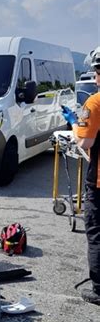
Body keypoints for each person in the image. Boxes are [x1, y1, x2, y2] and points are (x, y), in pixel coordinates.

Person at [62, 46, 100, 305]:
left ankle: (99, 288)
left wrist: (75, 123)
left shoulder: (94, 103)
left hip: (99, 181)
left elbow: (84, 144)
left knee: (97, 232)